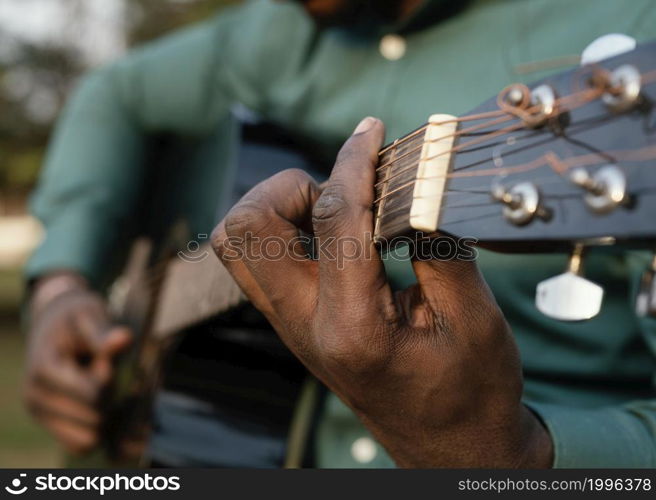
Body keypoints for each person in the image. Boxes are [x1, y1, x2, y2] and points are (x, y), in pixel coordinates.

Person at [24, 0, 656, 467]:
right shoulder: (279, 30)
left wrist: (511, 458)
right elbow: (116, 93)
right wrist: (60, 285)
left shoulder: (627, 34)